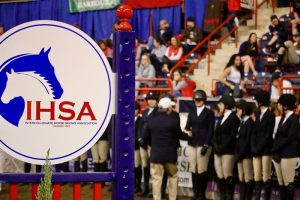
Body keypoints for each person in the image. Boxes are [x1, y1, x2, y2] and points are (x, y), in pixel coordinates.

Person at [142, 97, 185, 200]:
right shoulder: (174, 119)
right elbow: (179, 134)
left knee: (156, 179)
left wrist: (153, 144)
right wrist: (190, 136)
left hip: (156, 154)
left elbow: (144, 137)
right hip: (170, 155)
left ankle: (156, 198)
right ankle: (172, 198)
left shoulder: (151, 119)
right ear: (168, 108)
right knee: (173, 177)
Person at [184, 90, 215, 200]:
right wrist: (187, 130)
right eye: (196, 99)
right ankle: (195, 192)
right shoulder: (191, 112)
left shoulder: (209, 113)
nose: (197, 101)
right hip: (192, 143)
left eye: (200, 99)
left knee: (202, 168)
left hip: (203, 143)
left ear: (204, 100)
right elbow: (187, 126)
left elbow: (211, 130)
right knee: (193, 168)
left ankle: (202, 193)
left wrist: (206, 144)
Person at [212, 95, 240, 200]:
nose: (219, 106)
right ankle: (222, 196)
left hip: (228, 151)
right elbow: (215, 133)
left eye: (221, 104)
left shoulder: (234, 118)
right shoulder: (222, 117)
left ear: (226, 105)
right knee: (220, 175)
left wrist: (222, 148)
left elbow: (232, 135)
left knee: (227, 174)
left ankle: (229, 196)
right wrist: (216, 146)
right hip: (218, 150)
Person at [273, 94, 299, 200]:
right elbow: (278, 135)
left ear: (285, 106)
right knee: (281, 183)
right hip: (280, 154)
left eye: (280, 104)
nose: (278, 106)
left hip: (289, 154)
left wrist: (275, 148)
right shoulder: (284, 118)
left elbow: (290, 137)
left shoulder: (294, 119)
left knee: (288, 183)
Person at [251, 90, 275, 200]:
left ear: (261, 102)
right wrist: (253, 147)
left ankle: (265, 197)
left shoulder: (271, 115)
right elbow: (254, 132)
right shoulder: (257, 114)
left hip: (265, 150)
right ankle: (256, 197)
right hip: (256, 149)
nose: (255, 103)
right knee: (256, 175)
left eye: (256, 101)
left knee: (266, 176)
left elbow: (268, 135)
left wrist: (259, 148)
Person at [138, 92, 159, 197]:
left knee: (153, 167)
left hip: (152, 143)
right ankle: (145, 188)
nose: (151, 101)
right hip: (143, 144)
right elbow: (140, 127)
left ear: (156, 101)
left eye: (153, 99)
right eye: (149, 99)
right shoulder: (145, 112)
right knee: (145, 166)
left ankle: (152, 189)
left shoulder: (158, 112)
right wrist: (140, 138)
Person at [235, 100, 254, 200]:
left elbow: (247, 141)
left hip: (246, 155)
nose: (236, 111)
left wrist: (240, 154)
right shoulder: (242, 122)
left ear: (244, 111)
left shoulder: (249, 123)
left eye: (238, 109)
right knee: (241, 178)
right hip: (240, 154)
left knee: (248, 178)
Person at [134, 102, 142, 193]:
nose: (134, 111)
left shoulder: (141, 119)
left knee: (137, 166)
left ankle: (138, 185)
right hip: (128, 147)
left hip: (136, 147)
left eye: (136, 109)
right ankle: (132, 184)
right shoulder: (127, 119)